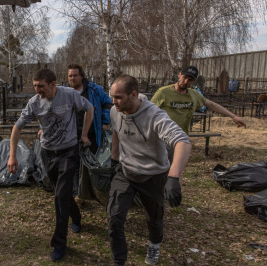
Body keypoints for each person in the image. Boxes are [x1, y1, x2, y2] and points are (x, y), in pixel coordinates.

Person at [7, 69, 94, 262]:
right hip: (47, 153)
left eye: (41, 86)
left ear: (53, 84)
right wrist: (12, 156)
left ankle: (60, 243)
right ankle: (77, 217)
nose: (37, 90)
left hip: (68, 152)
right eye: (35, 86)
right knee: (60, 194)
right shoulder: (34, 103)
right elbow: (16, 128)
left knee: (60, 195)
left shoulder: (69, 94)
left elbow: (89, 108)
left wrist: (84, 134)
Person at [108, 75, 192, 265]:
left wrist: (173, 177)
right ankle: (118, 261)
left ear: (134, 94)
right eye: (112, 96)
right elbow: (116, 132)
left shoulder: (155, 115)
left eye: (119, 97)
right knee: (114, 217)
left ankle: (154, 245)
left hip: (153, 175)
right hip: (126, 171)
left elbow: (183, 142)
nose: (114, 102)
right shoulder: (115, 110)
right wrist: (114, 159)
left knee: (154, 218)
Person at [151, 65, 247, 135]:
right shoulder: (163, 92)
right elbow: (148, 112)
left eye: (190, 80)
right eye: (185, 77)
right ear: (179, 74)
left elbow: (211, 105)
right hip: (162, 136)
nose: (185, 82)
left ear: (193, 81)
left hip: (180, 137)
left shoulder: (194, 95)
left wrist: (233, 116)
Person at [66, 64, 113, 197]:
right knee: (73, 163)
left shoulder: (94, 89)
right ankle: (77, 193)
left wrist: (104, 122)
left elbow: (108, 104)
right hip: (71, 134)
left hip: (93, 133)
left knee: (92, 162)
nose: (72, 78)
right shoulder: (63, 91)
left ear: (82, 76)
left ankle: (93, 191)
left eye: (75, 75)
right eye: (70, 75)